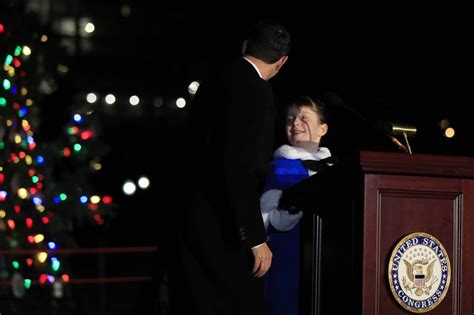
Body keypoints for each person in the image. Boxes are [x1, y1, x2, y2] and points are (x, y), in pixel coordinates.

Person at [166, 20, 291, 315]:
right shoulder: (257, 92)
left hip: (188, 217)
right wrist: (255, 237)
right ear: (281, 62)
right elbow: (238, 167)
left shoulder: (215, 79)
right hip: (221, 228)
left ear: (245, 46)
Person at [259, 96, 333, 315]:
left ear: (322, 129)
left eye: (303, 117)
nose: (295, 123)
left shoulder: (332, 168)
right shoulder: (281, 167)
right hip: (289, 258)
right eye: (290, 119)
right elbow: (273, 218)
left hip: (327, 258)